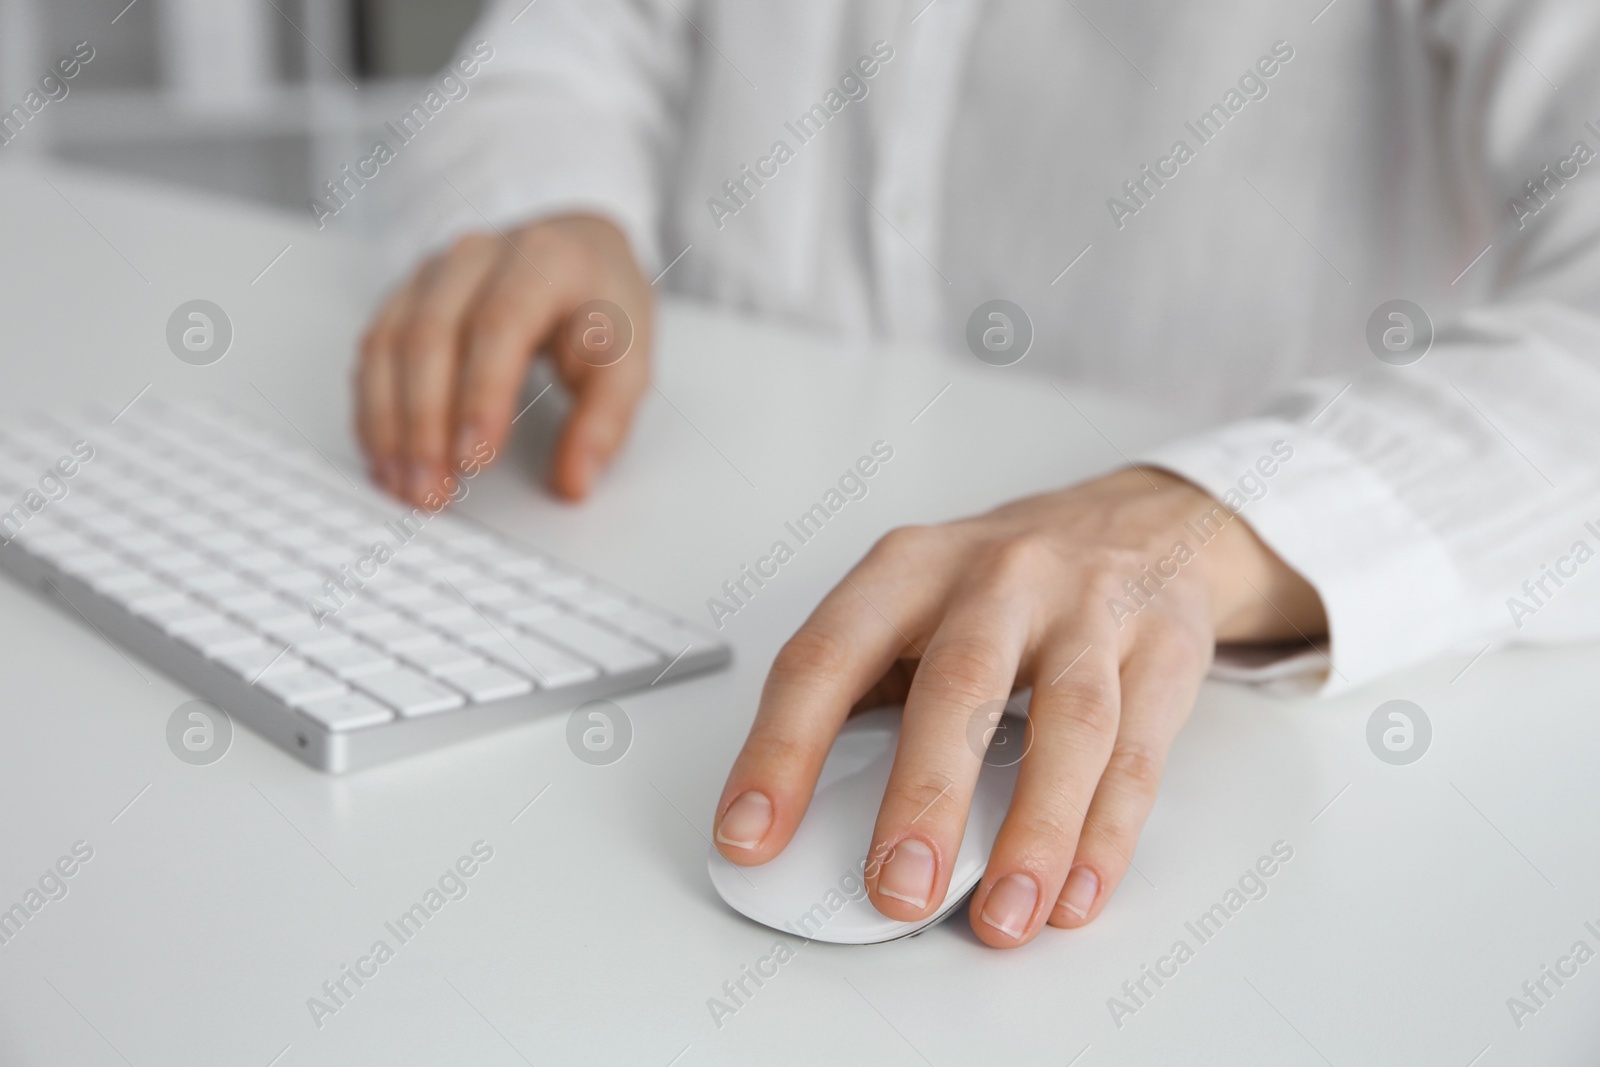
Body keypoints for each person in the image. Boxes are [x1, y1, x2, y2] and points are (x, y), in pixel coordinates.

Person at [352, 0, 1600, 948]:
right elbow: (578, 36)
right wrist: (547, 200)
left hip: (1277, 707)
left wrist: (1210, 517)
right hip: (652, 533)